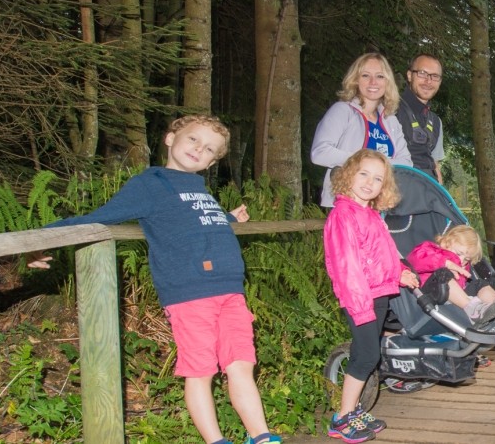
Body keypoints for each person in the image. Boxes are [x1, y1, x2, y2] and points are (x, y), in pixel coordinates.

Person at [27, 115, 280, 444]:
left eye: (208, 150)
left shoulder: (198, 187)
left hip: (230, 291)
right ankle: (216, 441)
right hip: (190, 293)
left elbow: (195, 223)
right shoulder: (152, 183)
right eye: (193, 140)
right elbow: (99, 218)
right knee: (201, 371)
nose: (198, 150)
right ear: (171, 137)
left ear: (212, 161)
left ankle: (261, 437)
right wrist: (41, 239)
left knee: (241, 364)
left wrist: (227, 217)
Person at [322, 149, 421, 443]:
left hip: (377, 294)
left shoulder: (370, 215)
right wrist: (361, 307)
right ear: (348, 174)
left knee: (366, 355)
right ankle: (341, 418)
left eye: (377, 179)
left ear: (384, 187)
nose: (369, 182)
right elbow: (347, 267)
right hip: (360, 298)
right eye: (363, 173)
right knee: (366, 356)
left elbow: (383, 255)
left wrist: (400, 272)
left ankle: (352, 411)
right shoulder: (343, 215)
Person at [311, 53, 413, 208]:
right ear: (355, 80)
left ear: (387, 82)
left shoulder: (390, 119)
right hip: (345, 205)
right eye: (365, 75)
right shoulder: (342, 111)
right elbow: (319, 153)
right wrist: (364, 162)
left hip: (382, 206)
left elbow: (406, 163)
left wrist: (377, 165)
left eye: (380, 76)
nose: (373, 82)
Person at [406, 225, 495, 326]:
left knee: (479, 284)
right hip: (432, 293)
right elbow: (414, 260)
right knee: (445, 275)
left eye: (467, 259)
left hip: (459, 299)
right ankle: (474, 309)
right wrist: (445, 262)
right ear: (445, 242)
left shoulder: (463, 265)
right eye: (458, 254)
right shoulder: (429, 249)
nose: (461, 260)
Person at [395, 53, 446, 183]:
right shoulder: (389, 110)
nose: (428, 81)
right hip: (396, 189)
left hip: (428, 191)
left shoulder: (436, 122)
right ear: (409, 75)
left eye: (435, 76)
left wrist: (442, 198)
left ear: (440, 82)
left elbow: (435, 164)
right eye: (422, 73)